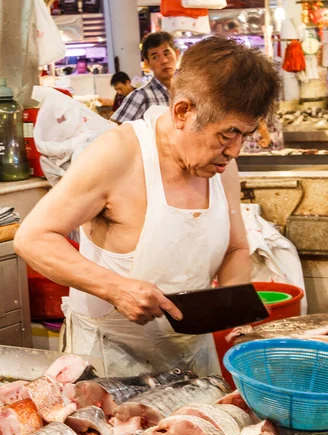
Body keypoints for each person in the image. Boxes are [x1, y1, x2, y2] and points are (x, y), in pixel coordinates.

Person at [14, 37, 280, 377]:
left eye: (245, 135)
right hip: (108, 362)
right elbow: (33, 238)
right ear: (183, 111)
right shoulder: (118, 154)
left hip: (191, 355)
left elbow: (237, 248)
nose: (236, 151)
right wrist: (114, 288)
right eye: (228, 134)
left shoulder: (220, 166)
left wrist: (231, 312)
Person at [111, 32, 179, 124]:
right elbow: (115, 129)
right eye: (155, 57)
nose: (164, 61)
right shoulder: (141, 96)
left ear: (177, 54)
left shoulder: (188, 91)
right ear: (147, 63)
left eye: (167, 54)